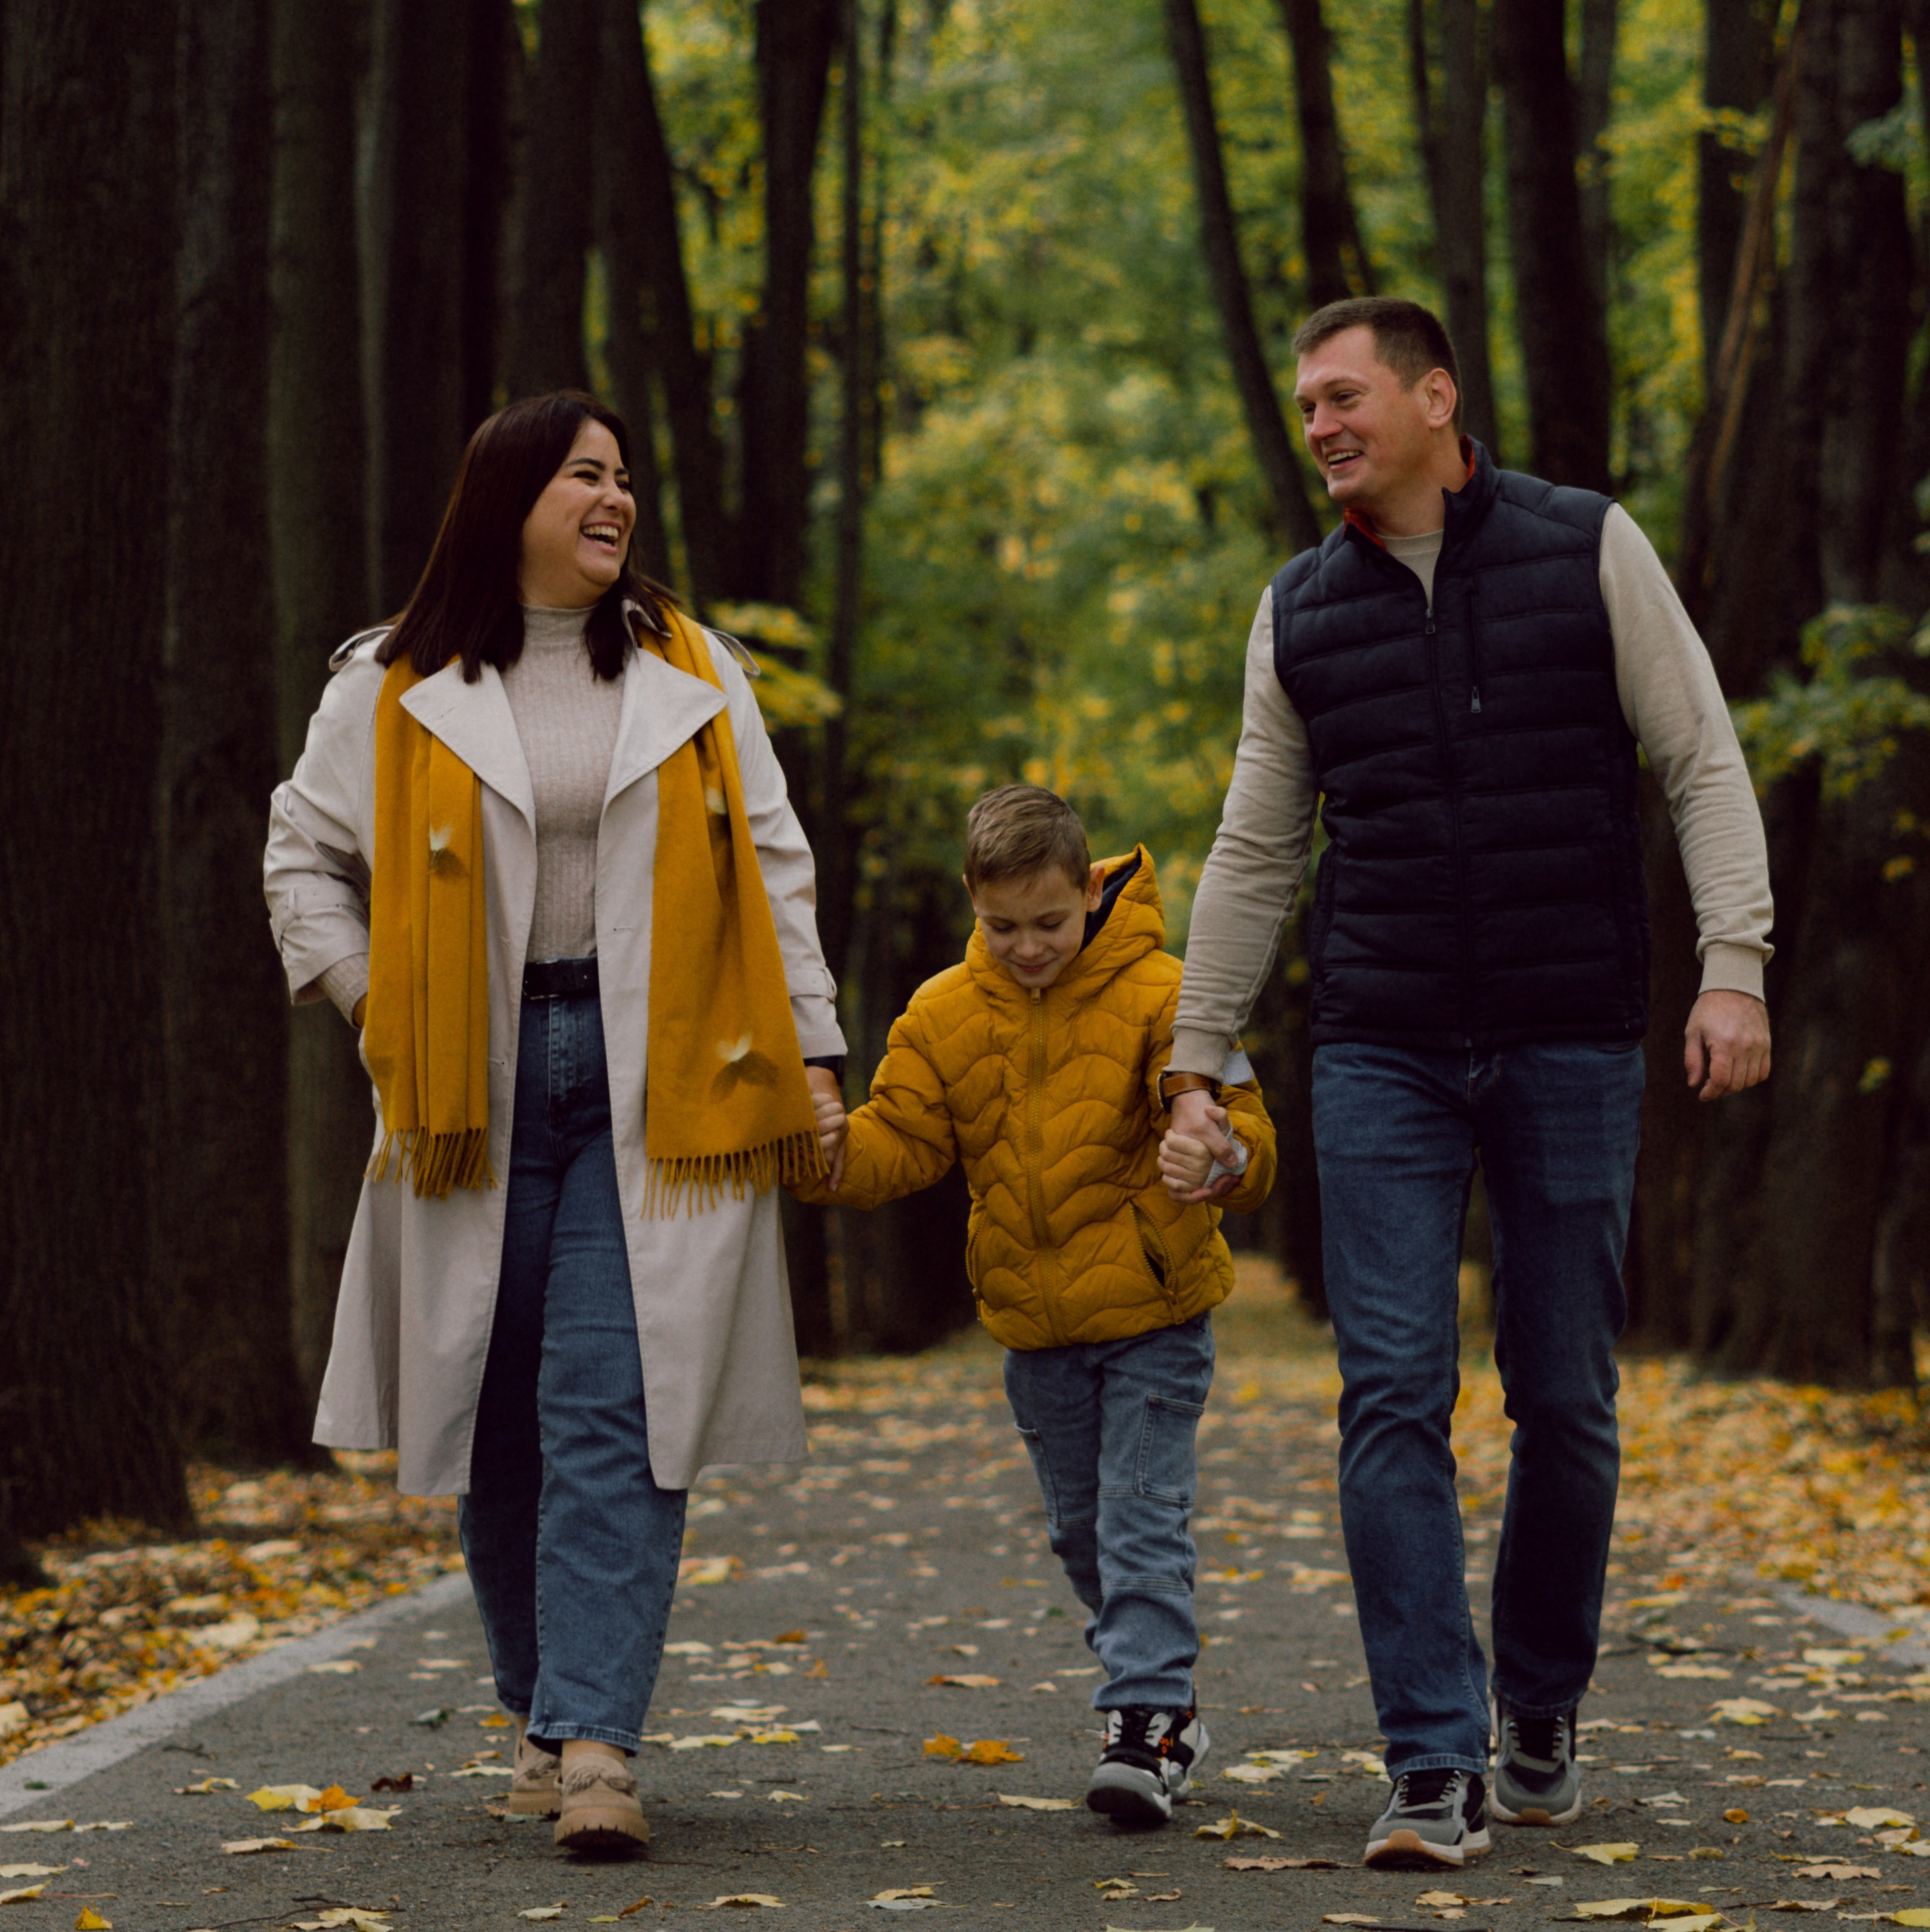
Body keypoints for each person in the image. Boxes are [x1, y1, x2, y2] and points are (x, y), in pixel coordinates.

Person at [1163, 299, 1773, 1869]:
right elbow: (1250, 848)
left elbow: (1697, 757)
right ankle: (1428, 1761)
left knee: (1563, 1396)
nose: (1319, 426)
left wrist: (1733, 962)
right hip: (1378, 1045)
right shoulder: (1297, 611)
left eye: (1343, 396)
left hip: (1570, 1030)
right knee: (1388, 1396)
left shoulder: (1583, 547)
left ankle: (1538, 1706)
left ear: (1435, 395)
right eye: (1303, 406)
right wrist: (1193, 1055)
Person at [264, 391, 846, 1859]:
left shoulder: (690, 669)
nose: (616, 498)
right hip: (470, 1083)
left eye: (625, 478)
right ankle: (541, 1709)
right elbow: (302, 857)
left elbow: (774, 862)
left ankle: (596, 1750)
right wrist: (363, 1003)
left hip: (663, 1081)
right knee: (496, 1404)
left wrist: (819, 1057)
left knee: (617, 1404)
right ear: (509, 497)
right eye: (586, 475)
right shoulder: (391, 685)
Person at [792, 784, 1277, 1826]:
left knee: (1142, 1517)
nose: (1027, 945)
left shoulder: (1169, 995)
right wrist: (824, 1152)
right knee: (1081, 1533)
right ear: (973, 900)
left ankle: (1140, 1721)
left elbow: (1239, 1120)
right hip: (1033, 1325)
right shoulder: (941, 1015)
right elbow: (904, 1143)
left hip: (1154, 1311)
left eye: (1049, 922)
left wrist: (1222, 1156)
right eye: (1001, 924)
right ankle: (1169, 1700)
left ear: (1091, 888)